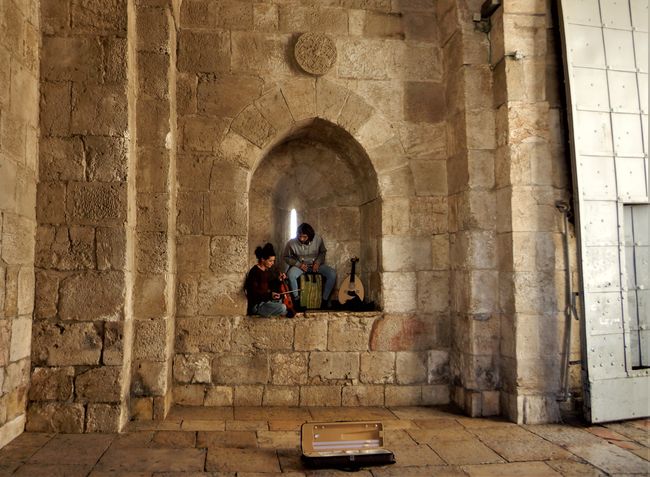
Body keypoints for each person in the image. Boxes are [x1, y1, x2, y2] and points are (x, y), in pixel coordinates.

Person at [283, 222, 336, 308]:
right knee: (290, 275)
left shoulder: (318, 239)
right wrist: (298, 264)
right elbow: (286, 257)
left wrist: (318, 262)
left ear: (310, 236)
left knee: (332, 274)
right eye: (299, 236)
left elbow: (323, 252)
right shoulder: (291, 243)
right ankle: (296, 300)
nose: (301, 239)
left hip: (315, 266)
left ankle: (324, 300)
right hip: (301, 267)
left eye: (304, 236)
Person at [244, 243, 292, 318]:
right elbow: (253, 295)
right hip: (258, 305)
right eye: (270, 261)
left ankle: (282, 312)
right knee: (282, 307)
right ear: (263, 259)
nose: (272, 263)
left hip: (266, 301)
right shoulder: (254, 272)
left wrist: (279, 280)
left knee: (281, 300)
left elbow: (270, 286)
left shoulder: (266, 271)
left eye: (273, 261)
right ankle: (283, 312)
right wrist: (270, 295)